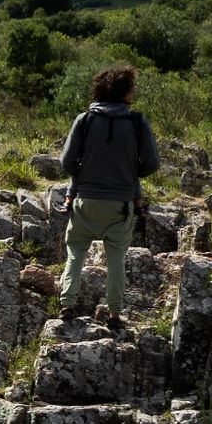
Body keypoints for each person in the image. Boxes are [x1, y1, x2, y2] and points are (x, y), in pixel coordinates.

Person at [57, 65, 160, 323]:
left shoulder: (85, 120)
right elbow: (152, 164)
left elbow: (67, 162)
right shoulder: (137, 122)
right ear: (124, 91)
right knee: (116, 258)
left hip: (86, 201)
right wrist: (128, 172)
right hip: (121, 203)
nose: (134, 91)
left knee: (76, 250)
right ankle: (114, 311)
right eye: (132, 87)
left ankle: (67, 304)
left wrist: (88, 172)